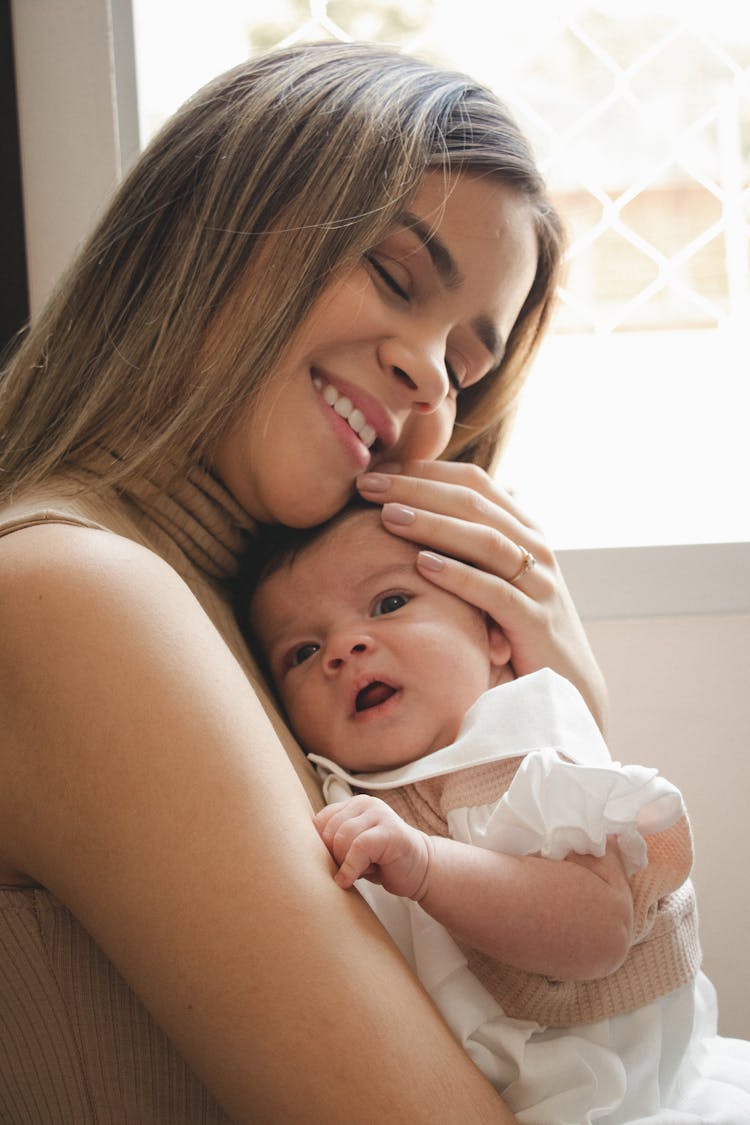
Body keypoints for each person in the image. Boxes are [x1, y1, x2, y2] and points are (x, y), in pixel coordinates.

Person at [0, 37, 609, 1122]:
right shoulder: (79, 591)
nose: (430, 374)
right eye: (392, 273)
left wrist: (559, 706)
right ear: (213, 225)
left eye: (466, 369)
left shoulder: (261, 642)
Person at [247, 502, 750, 1125]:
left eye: (389, 604)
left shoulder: (514, 738)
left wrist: (427, 864)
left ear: (493, 635)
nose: (343, 649)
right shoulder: (348, 790)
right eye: (301, 650)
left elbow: (600, 932)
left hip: (625, 1092)